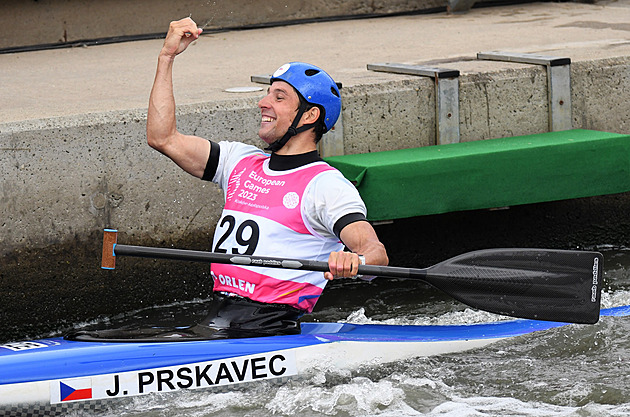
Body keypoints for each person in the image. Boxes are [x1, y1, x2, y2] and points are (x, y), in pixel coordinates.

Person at [141, 17, 387, 339]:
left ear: (310, 116)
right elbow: (163, 138)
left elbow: (376, 254)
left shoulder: (325, 185)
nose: (263, 102)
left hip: (272, 329)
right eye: (267, 94)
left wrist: (355, 260)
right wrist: (166, 57)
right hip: (217, 320)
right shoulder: (238, 161)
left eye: (279, 97)